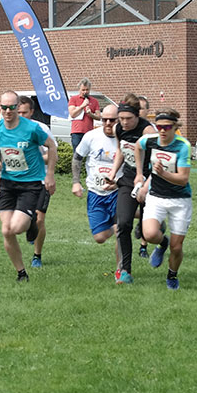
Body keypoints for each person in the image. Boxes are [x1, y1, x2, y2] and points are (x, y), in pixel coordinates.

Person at [0, 90, 57, 281]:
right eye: (4, 107)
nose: (8, 111)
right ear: (0, 108)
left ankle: (32, 221)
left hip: (30, 184)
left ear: (17, 107)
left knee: (17, 228)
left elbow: (52, 146)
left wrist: (50, 175)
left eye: (12, 107)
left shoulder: (32, 129)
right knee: (6, 230)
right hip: (8, 184)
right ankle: (21, 273)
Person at [134, 108, 192, 290]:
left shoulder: (183, 146)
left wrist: (163, 173)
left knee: (177, 247)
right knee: (149, 234)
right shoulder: (150, 140)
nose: (162, 131)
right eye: (159, 127)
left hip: (180, 199)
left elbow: (183, 179)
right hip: (156, 196)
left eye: (166, 127)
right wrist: (139, 173)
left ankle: (172, 275)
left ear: (175, 127)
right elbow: (137, 146)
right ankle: (162, 242)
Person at [108, 93, 156, 283]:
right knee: (123, 224)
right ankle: (125, 270)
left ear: (137, 115)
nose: (124, 122)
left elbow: (158, 160)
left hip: (151, 180)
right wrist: (113, 173)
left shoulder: (147, 131)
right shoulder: (118, 128)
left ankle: (155, 230)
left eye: (128, 118)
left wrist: (145, 183)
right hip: (128, 179)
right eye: (121, 118)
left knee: (148, 232)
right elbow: (121, 150)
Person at [72, 104, 121, 271]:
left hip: (117, 192)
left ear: (119, 120)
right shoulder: (91, 136)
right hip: (95, 192)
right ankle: (128, 222)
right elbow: (77, 158)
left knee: (121, 232)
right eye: (104, 119)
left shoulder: (124, 139)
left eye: (112, 120)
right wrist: (76, 182)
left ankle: (120, 271)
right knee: (99, 237)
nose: (108, 123)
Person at [17, 96, 52, 268]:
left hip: (40, 180)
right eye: (18, 112)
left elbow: (52, 154)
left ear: (31, 112)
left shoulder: (41, 129)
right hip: (17, 181)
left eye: (24, 112)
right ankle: (30, 226)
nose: (21, 116)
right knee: (19, 221)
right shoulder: (9, 129)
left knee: (39, 219)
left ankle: (37, 256)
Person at [67, 78, 99, 151]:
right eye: (83, 90)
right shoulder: (73, 99)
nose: (85, 92)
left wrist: (91, 114)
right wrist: (82, 106)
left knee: (89, 153)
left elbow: (99, 117)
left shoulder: (94, 101)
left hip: (89, 132)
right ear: (79, 90)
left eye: (87, 90)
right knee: (77, 153)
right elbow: (72, 114)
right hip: (76, 132)